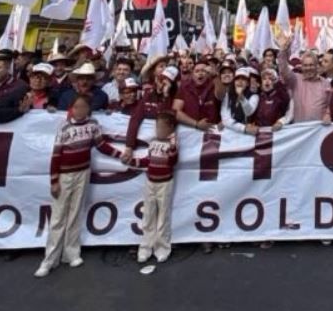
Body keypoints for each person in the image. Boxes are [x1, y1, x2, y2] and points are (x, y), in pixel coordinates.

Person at [35, 94, 122, 278]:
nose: (80, 110)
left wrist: (120, 154)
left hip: (83, 172)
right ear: (71, 109)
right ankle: (49, 259)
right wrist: (54, 180)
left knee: (75, 213)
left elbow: (101, 145)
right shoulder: (64, 127)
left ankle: (71, 253)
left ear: (88, 109)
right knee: (58, 216)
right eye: (76, 107)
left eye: (83, 107)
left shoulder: (93, 125)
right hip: (65, 175)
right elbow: (56, 155)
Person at [123, 110, 180, 266]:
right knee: (148, 215)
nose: (159, 130)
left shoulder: (173, 144)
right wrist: (131, 161)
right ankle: (145, 247)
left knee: (163, 216)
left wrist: (173, 141)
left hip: (165, 183)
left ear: (170, 129)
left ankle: (162, 248)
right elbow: (147, 161)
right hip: (150, 182)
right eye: (157, 127)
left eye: (162, 127)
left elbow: (173, 161)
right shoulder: (153, 142)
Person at [276, 35, 331, 122]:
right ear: (301, 66)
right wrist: (283, 51)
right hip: (301, 128)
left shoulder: (325, 83)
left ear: (316, 66)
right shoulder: (295, 80)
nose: (308, 68)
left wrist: (328, 114)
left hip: (319, 128)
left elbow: (330, 104)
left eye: (311, 65)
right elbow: (283, 70)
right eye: (305, 65)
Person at [172, 63, 220, 131]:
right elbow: (176, 111)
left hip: (211, 129)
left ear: (208, 74)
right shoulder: (184, 87)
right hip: (189, 128)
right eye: (197, 71)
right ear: (192, 74)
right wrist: (196, 124)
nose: (200, 73)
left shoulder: (215, 86)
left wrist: (216, 75)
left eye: (203, 71)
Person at [221, 67, 258, 134]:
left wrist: (242, 98)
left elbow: (249, 112)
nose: (240, 81)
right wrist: (243, 128)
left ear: (247, 83)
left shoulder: (254, 96)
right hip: (231, 133)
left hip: (247, 135)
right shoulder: (228, 95)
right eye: (237, 79)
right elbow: (225, 118)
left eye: (243, 79)